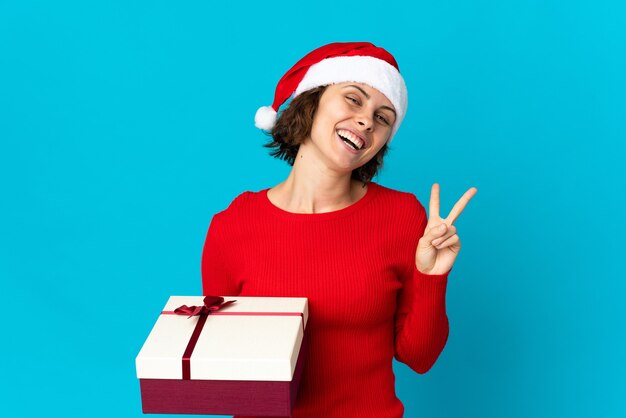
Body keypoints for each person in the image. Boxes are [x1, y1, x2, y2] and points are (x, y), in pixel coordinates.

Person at [201, 42, 477, 418]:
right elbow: (224, 365)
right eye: (353, 99)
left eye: (383, 118)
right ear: (311, 103)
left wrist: (432, 276)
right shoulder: (232, 225)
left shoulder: (402, 216)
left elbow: (420, 357)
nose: (367, 121)